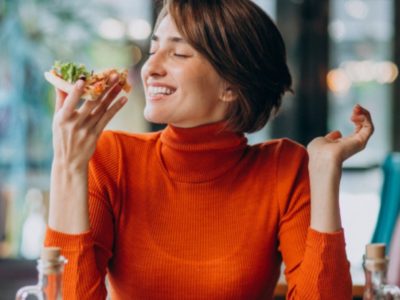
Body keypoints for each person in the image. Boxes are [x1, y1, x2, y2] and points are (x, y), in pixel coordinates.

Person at [44, 0, 374, 299]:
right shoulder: (110, 158)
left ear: (231, 85)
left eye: (178, 53)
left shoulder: (284, 167)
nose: (150, 67)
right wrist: (68, 167)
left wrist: (324, 172)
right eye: (153, 48)